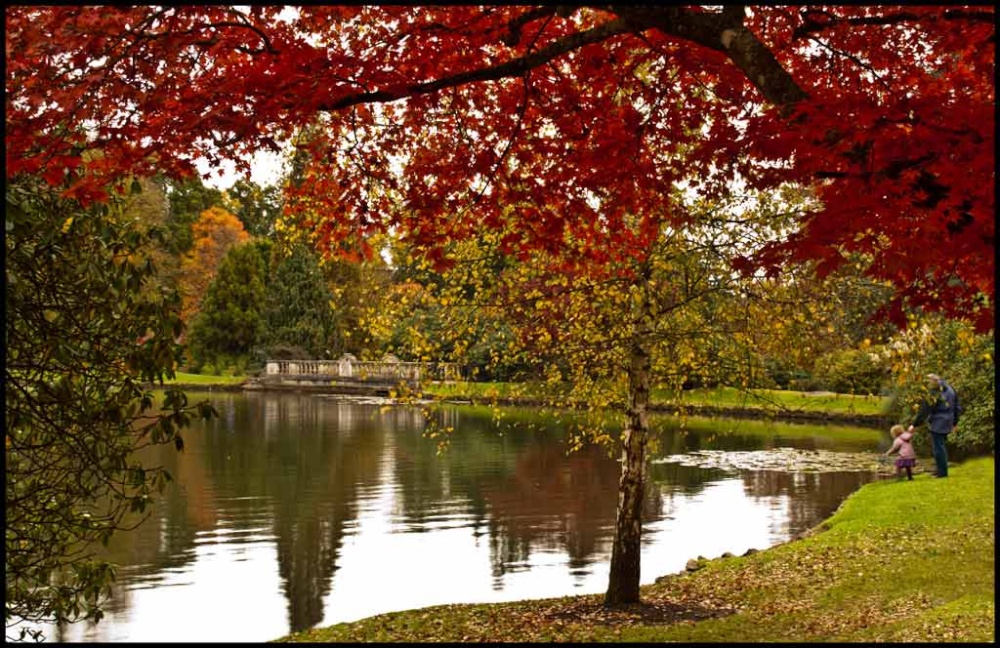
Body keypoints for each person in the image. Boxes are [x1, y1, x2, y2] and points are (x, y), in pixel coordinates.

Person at [907, 373, 960, 478]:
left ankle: (942, 473)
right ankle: (940, 470)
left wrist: (914, 425)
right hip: (948, 420)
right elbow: (957, 407)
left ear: (933, 382)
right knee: (940, 446)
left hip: (938, 422)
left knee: (938, 448)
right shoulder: (951, 389)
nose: (927, 385)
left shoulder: (934, 393)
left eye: (928, 382)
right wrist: (955, 422)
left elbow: (925, 410)